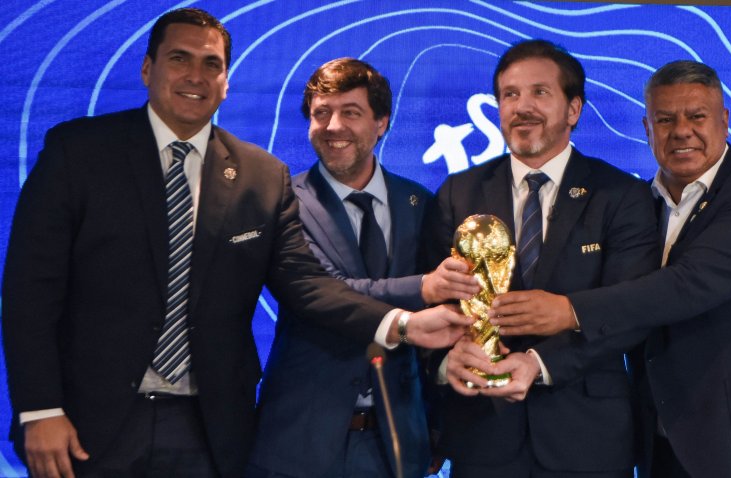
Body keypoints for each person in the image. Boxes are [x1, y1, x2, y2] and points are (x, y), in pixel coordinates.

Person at [1, 9, 469, 478]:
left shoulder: (261, 175)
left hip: (211, 428)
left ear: (226, 81)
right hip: (87, 424)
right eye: (179, 58)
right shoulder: (78, 152)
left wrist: (403, 324)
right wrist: (40, 409)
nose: (196, 76)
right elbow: (31, 291)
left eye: (212, 64)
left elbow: (306, 287)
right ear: (147, 69)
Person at [492, 60, 731, 477]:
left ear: (724, 120)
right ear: (647, 128)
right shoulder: (637, 202)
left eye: (697, 116)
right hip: (669, 439)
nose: (681, 131)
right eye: (665, 119)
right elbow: (624, 308)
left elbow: (688, 286)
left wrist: (570, 310)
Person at [421, 39, 660, 478]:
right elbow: (432, 303)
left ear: (573, 109)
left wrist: (539, 364)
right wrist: (443, 362)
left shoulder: (621, 196)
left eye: (539, 93)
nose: (521, 107)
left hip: (587, 439)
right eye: (509, 95)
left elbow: (631, 311)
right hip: (482, 434)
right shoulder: (458, 193)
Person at [247, 58, 479, 478]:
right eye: (321, 113)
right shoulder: (282, 201)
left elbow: (440, 333)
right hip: (300, 443)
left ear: (382, 123)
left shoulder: (420, 204)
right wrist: (424, 289)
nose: (334, 126)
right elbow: (323, 291)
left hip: (397, 443)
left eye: (350, 112)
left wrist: (437, 427)